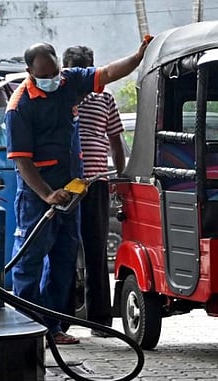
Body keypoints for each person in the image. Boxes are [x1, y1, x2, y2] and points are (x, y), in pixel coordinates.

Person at [6, 37, 151, 345]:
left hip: (72, 192)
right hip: (37, 195)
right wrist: (47, 194)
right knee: (30, 262)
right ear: (29, 72)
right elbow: (22, 162)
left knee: (64, 259)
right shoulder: (19, 107)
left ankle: (53, 327)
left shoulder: (71, 82)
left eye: (54, 71)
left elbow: (109, 72)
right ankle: (24, 330)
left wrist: (137, 57)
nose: (51, 79)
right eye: (44, 75)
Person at [62, 45, 126, 336]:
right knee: (92, 251)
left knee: (73, 250)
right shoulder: (96, 96)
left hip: (79, 184)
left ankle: (72, 320)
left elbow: (114, 140)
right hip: (83, 183)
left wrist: (119, 176)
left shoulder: (64, 96)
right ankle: (96, 322)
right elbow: (114, 141)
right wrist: (119, 174)